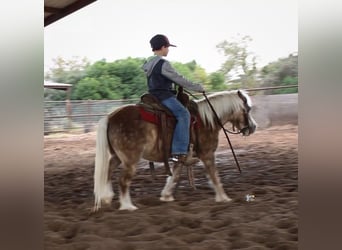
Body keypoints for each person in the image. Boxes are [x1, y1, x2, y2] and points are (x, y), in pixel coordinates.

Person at [142, 34, 204, 164]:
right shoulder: (163, 64)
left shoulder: (149, 63)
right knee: (184, 114)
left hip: (153, 95)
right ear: (163, 47)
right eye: (167, 47)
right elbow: (179, 78)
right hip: (164, 96)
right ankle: (179, 152)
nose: (168, 50)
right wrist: (198, 88)